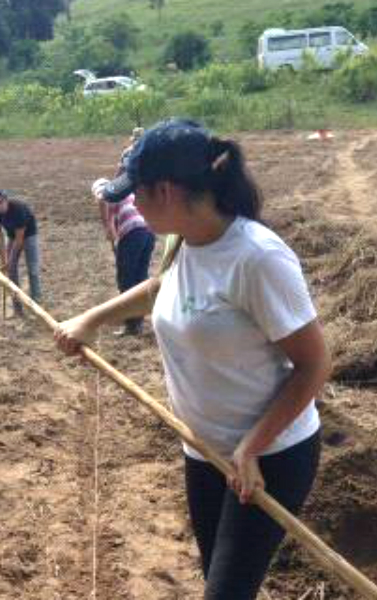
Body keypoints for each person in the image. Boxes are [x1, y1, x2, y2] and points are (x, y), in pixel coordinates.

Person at [56, 118, 331, 599]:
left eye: (134, 194)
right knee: (221, 583)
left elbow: (314, 365)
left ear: (165, 191)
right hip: (204, 451)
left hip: (269, 455)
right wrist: (90, 320)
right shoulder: (183, 241)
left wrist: (250, 447)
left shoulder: (257, 259)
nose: (130, 205)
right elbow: (162, 289)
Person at [92, 177, 155, 336]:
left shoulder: (107, 192)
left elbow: (101, 199)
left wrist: (107, 226)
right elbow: (115, 223)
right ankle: (137, 321)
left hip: (133, 233)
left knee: (126, 280)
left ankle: (131, 325)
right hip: (148, 232)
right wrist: (113, 233)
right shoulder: (124, 194)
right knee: (140, 277)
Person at [0, 189, 41, 316]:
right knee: (11, 270)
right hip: (11, 234)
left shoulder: (18, 209)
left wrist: (10, 260)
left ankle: (36, 301)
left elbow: (19, 239)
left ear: (6, 200)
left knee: (32, 268)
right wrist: (4, 259)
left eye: (0, 202)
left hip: (28, 234)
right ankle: (17, 307)